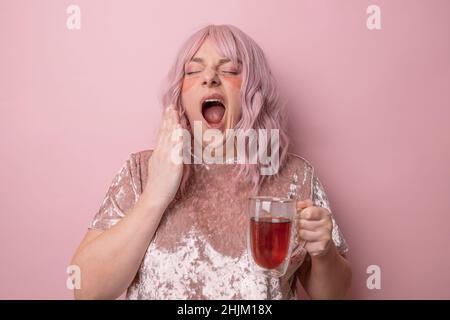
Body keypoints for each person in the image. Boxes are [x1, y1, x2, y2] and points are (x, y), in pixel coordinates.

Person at [70, 24, 352, 300]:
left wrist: (324, 253)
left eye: (229, 70)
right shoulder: (140, 172)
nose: (210, 78)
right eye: (193, 70)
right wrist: (155, 193)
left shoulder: (295, 175)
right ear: (181, 92)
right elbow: (87, 290)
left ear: (254, 91)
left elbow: (333, 294)